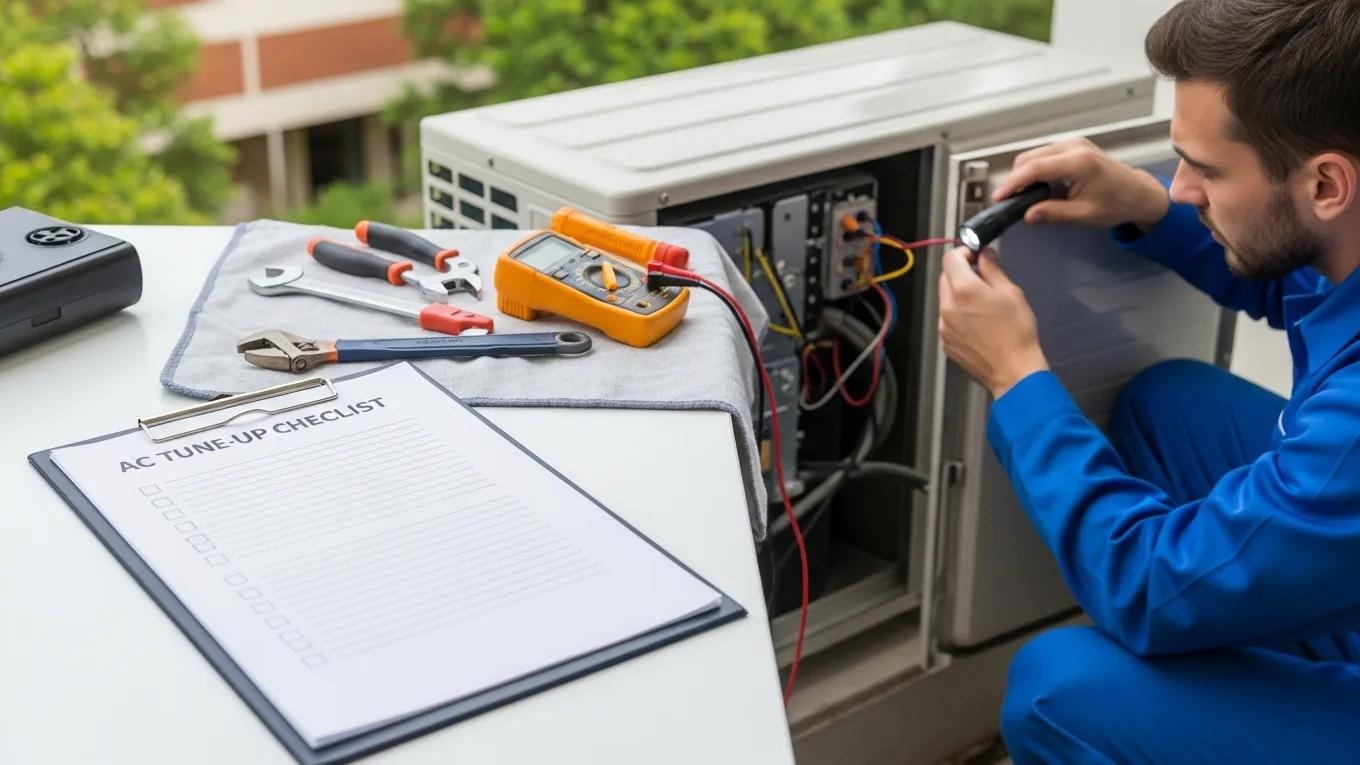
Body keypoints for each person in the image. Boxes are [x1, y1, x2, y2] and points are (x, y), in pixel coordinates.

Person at [935, 1, 1360, 761]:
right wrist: (1147, 205)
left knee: (1056, 688)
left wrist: (1016, 377)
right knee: (1172, 404)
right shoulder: (1343, 226)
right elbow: (1299, 279)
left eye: (1206, 169)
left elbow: (1145, 585)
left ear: (1327, 184)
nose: (1185, 186)